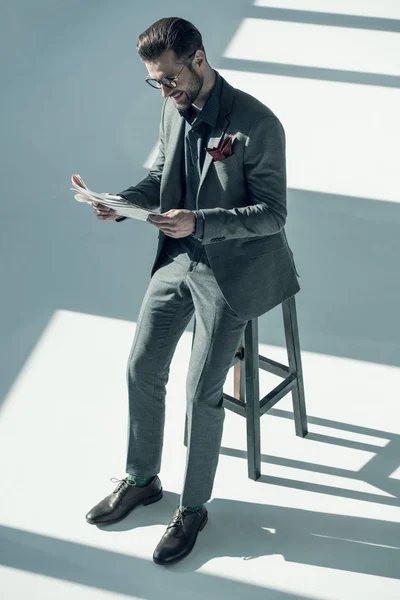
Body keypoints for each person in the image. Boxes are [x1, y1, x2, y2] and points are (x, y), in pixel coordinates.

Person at [85, 16, 300, 566]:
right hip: (178, 257)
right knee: (141, 367)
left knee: (200, 391)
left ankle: (193, 509)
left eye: (169, 79)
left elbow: (273, 215)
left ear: (199, 59)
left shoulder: (257, 123)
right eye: (155, 82)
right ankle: (142, 479)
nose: (164, 89)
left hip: (234, 271)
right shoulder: (172, 103)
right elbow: (161, 173)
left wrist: (199, 222)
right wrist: (122, 201)